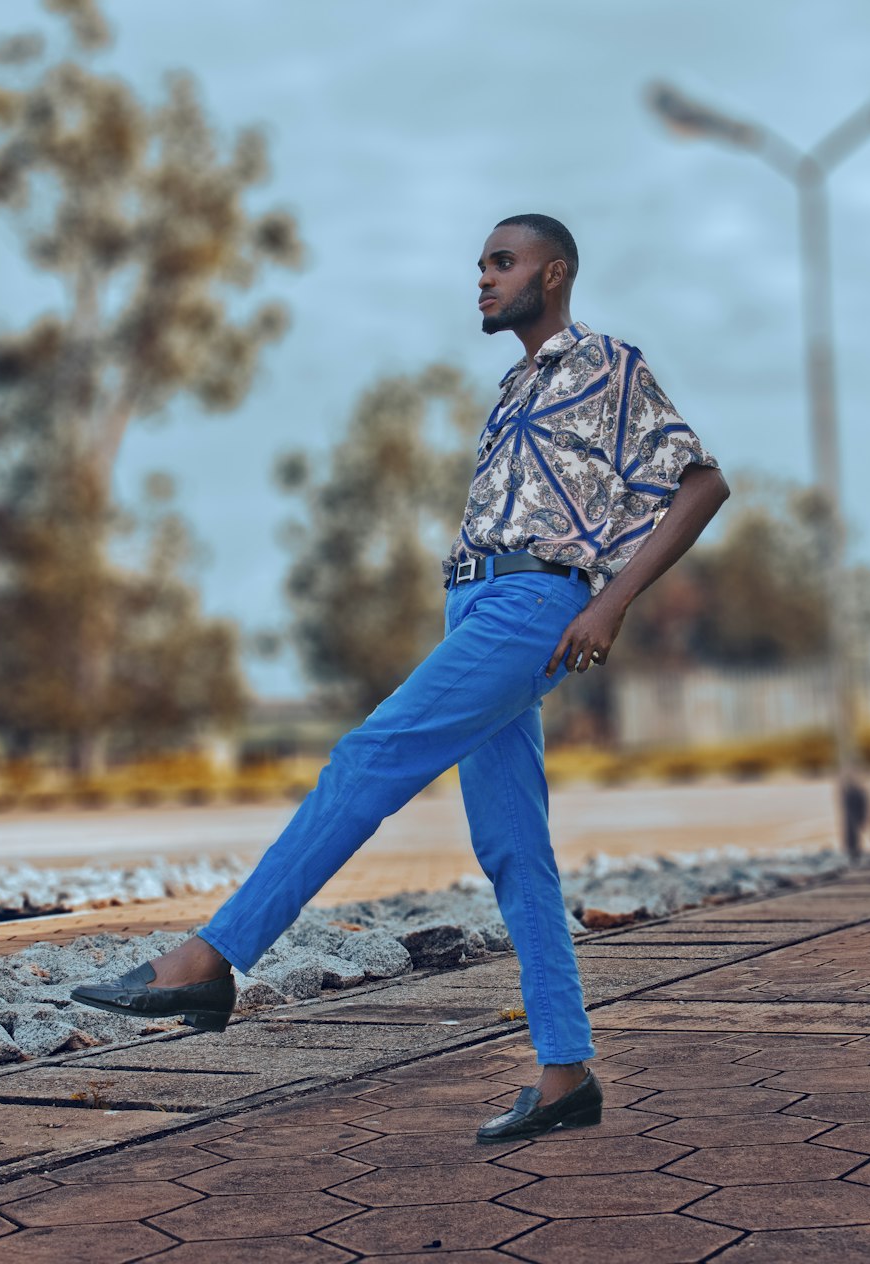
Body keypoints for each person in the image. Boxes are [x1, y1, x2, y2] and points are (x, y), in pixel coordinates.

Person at [72, 213, 730, 1142]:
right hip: (476, 607)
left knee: (364, 759)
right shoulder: (512, 389)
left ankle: (211, 958)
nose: (485, 279)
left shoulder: (608, 366)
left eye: (503, 263)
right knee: (515, 852)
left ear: (557, 271)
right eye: (481, 265)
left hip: (532, 610)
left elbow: (701, 484)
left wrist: (612, 602)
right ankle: (566, 1074)